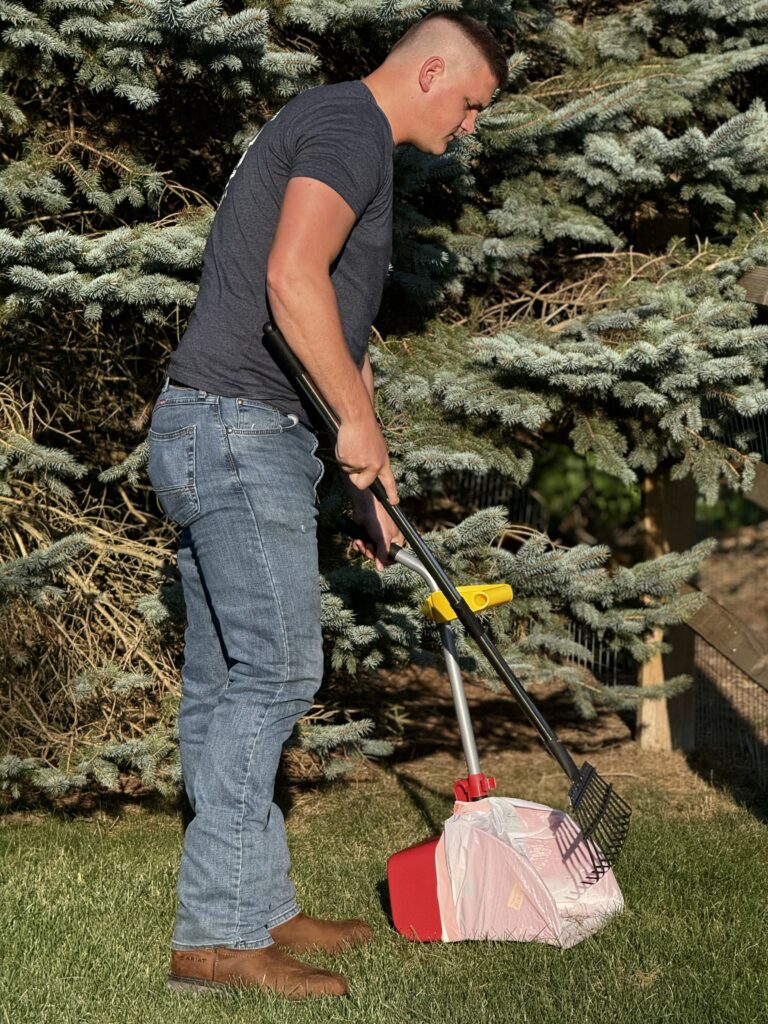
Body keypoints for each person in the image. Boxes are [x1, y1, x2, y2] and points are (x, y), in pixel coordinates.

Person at [147, 11, 507, 1000]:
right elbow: (290, 280)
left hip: (205, 425)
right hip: (236, 429)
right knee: (275, 672)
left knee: (227, 681)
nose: (470, 126)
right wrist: (355, 424)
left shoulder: (336, 127)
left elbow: (335, 332)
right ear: (433, 71)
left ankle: (255, 904)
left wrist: (367, 474)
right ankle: (216, 936)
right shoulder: (350, 130)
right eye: (471, 103)